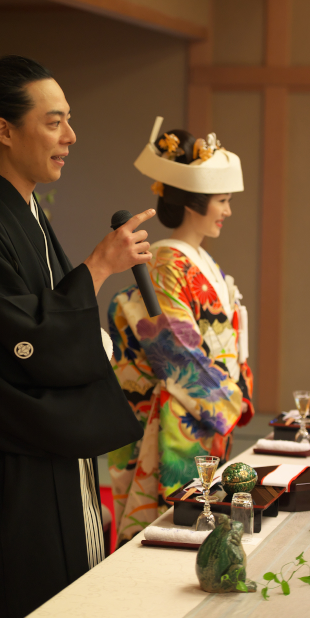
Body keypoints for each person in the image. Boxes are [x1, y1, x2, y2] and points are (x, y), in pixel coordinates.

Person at [0, 55, 152, 618]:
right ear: (3, 130)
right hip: (1, 461)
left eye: (68, 120)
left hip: (37, 444)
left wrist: (90, 288)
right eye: (54, 122)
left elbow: (47, 325)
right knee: (17, 614)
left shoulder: (23, 210)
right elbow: (24, 341)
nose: (70, 136)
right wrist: (97, 266)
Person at [108, 124, 254, 547]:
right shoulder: (167, 262)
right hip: (180, 417)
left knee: (202, 523)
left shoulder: (202, 260)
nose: (227, 211)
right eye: (222, 201)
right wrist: (231, 400)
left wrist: (236, 390)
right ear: (194, 202)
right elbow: (177, 351)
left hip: (207, 413)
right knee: (174, 530)